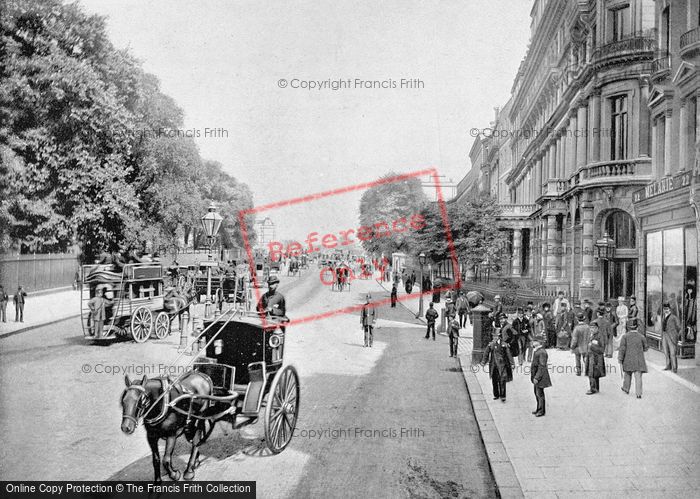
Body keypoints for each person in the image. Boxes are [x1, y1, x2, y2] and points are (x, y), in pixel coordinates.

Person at [480, 328, 514, 402]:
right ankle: (496, 395)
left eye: (496, 336)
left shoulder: (504, 344)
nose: (494, 337)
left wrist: (512, 363)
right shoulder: (491, 344)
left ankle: (503, 396)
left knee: (502, 380)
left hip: (502, 365)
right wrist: (483, 362)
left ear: (499, 336)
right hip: (493, 365)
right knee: (494, 380)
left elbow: (509, 354)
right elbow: (486, 353)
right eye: (493, 336)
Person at [618, 319, 648, 398]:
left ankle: (626, 388)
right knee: (638, 376)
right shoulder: (641, 337)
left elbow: (622, 349)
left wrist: (620, 359)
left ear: (628, 328)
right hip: (638, 360)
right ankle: (638, 393)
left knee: (627, 374)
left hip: (628, 359)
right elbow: (646, 348)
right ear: (637, 327)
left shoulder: (625, 337)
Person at [530, 339, 551, 416]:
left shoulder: (541, 352)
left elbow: (542, 366)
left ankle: (541, 410)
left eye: (535, 341)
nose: (533, 342)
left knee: (539, 394)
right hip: (537, 376)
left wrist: (537, 377)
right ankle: (538, 408)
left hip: (540, 377)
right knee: (537, 393)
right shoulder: (537, 350)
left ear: (539, 342)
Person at [585, 321, 606, 394]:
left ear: (597, 328)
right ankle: (595, 388)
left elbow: (602, 349)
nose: (591, 329)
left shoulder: (600, 336)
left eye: (593, 328)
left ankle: (593, 389)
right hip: (590, 356)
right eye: (590, 328)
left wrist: (592, 346)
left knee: (593, 373)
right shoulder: (591, 335)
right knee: (592, 373)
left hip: (596, 358)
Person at [661, 302, 681, 373]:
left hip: (672, 336)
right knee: (666, 352)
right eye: (664, 309)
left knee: (672, 353)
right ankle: (668, 365)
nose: (665, 310)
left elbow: (679, 327)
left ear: (670, 309)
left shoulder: (674, 317)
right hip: (664, 335)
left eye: (667, 309)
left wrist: (676, 335)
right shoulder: (663, 316)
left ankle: (674, 368)